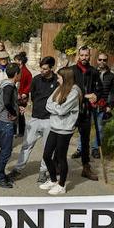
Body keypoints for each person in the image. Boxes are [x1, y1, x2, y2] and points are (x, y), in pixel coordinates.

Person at [13, 56, 59, 183]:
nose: (42, 71)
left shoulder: (57, 81)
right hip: (35, 118)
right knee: (26, 145)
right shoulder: (36, 79)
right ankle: (18, 169)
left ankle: (43, 171)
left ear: (52, 68)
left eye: (45, 69)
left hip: (50, 120)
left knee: (47, 149)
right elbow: (31, 96)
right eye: (41, 68)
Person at [41, 67, 80, 195]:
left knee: (61, 158)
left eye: (59, 77)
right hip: (54, 127)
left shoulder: (74, 92)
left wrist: (55, 107)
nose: (57, 79)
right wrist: (56, 107)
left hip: (65, 130)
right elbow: (48, 103)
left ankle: (62, 185)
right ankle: (53, 180)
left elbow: (63, 110)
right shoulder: (59, 88)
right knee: (46, 155)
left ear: (65, 77)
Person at [70, 46, 102, 180]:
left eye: (86, 55)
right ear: (78, 55)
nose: (84, 58)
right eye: (82, 55)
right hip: (72, 110)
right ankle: (58, 164)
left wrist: (96, 95)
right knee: (65, 138)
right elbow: (67, 88)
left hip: (87, 111)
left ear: (90, 56)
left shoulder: (93, 71)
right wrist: (84, 95)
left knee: (85, 139)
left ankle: (85, 167)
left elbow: (99, 89)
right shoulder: (71, 70)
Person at [0, 63, 20, 188]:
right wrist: (13, 113)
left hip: (2, 121)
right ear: (16, 74)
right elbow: (7, 102)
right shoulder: (9, 86)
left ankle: (1, 175)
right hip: (6, 123)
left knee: (5, 150)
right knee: (6, 151)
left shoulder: (4, 84)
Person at [91, 51, 114, 152]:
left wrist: (110, 106)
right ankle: (81, 149)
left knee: (100, 129)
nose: (102, 61)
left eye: (104, 60)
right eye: (100, 59)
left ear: (107, 61)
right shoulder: (91, 72)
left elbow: (113, 92)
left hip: (103, 106)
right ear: (97, 60)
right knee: (84, 129)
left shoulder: (111, 76)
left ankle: (95, 149)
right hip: (90, 105)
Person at [14, 52, 33, 138]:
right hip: (16, 94)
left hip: (22, 96)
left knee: (20, 114)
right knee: (14, 112)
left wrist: (24, 93)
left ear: (20, 61)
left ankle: (21, 131)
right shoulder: (17, 70)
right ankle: (14, 130)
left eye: (16, 60)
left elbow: (30, 84)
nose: (14, 62)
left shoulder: (27, 72)